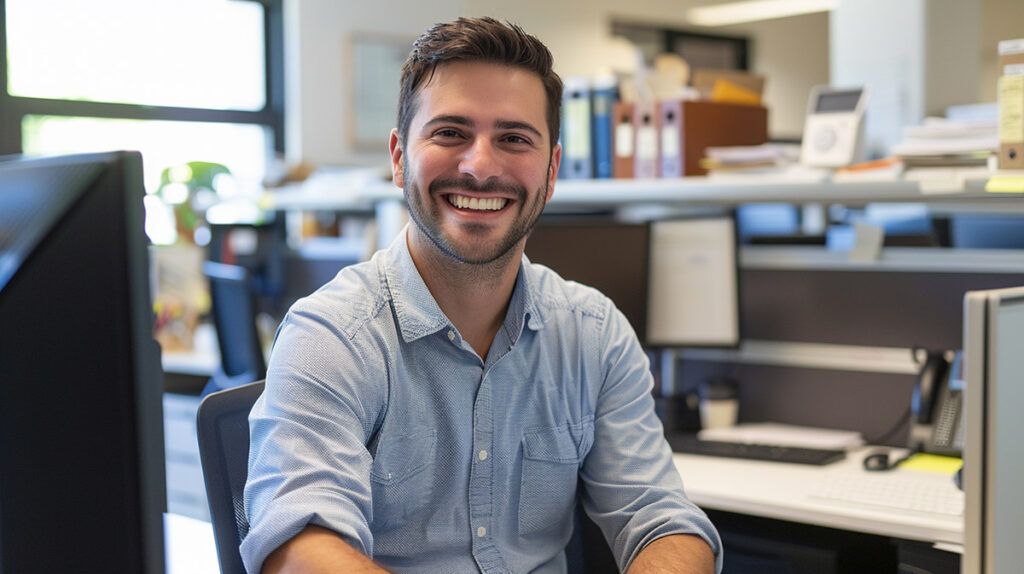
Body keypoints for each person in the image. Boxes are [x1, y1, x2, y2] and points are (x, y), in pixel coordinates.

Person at [242, 16, 722, 574]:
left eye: (514, 139)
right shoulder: (333, 336)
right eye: (450, 133)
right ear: (399, 157)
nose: (480, 166)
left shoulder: (593, 333)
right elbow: (299, 547)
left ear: (552, 169)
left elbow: (662, 520)